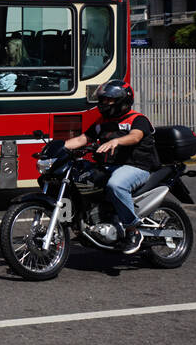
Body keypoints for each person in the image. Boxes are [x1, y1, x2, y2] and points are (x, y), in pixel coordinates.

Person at [63, 80, 160, 254]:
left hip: (136, 167)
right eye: (102, 100)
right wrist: (57, 148)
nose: (104, 104)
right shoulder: (102, 122)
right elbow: (82, 139)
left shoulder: (137, 120)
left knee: (116, 185)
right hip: (110, 166)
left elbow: (135, 137)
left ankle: (133, 230)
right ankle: (91, 222)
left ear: (122, 100)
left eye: (108, 100)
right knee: (81, 179)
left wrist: (117, 141)